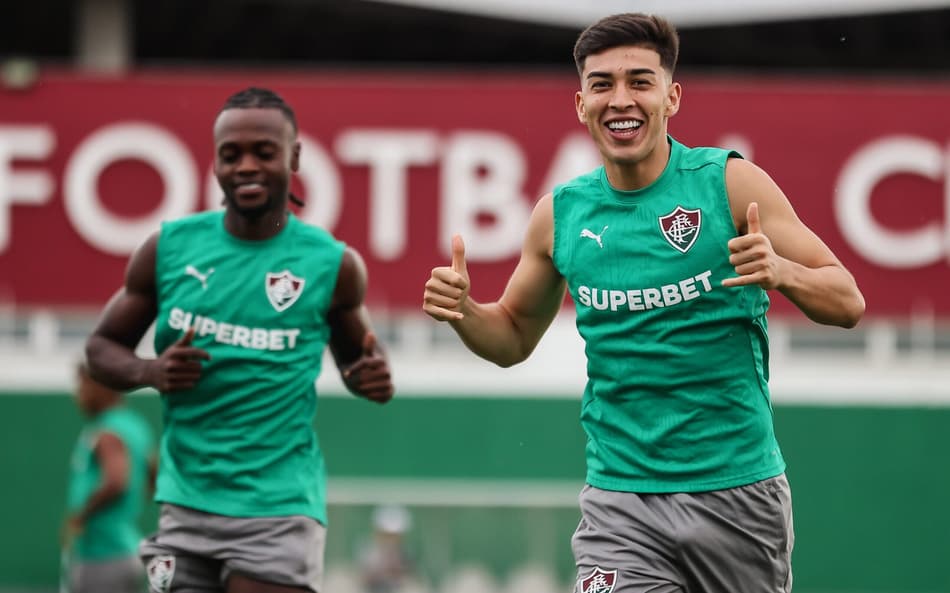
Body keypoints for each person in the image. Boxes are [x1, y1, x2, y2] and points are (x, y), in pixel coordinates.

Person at [422, 13, 864, 593]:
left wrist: (782, 273)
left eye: (639, 81)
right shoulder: (560, 216)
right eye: (602, 84)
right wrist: (465, 313)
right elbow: (510, 337)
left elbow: (848, 300)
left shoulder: (729, 185)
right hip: (620, 502)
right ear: (580, 103)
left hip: (737, 496)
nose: (620, 99)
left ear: (671, 96)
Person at [85, 87, 395, 593]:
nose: (246, 166)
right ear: (214, 165)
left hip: (277, 509)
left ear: (294, 156)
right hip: (185, 505)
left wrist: (372, 379)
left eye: (264, 152)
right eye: (231, 155)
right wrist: (151, 372)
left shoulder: (332, 264)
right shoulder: (168, 249)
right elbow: (100, 348)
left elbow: (361, 363)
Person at [64, 360, 155, 593]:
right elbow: (153, 475)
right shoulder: (135, 426)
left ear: (102, 387)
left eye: (83, 385)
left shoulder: (107, 431)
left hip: (103, 554)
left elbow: (116, 482)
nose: (79, 394)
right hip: (125, 548)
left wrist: (80, 517)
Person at [358, 505, 417, 593]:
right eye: (387, 534)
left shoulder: (405, 554)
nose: (391, 539)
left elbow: (406, 577)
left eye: (395, 535)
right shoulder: (368, 551)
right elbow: (364, 579)